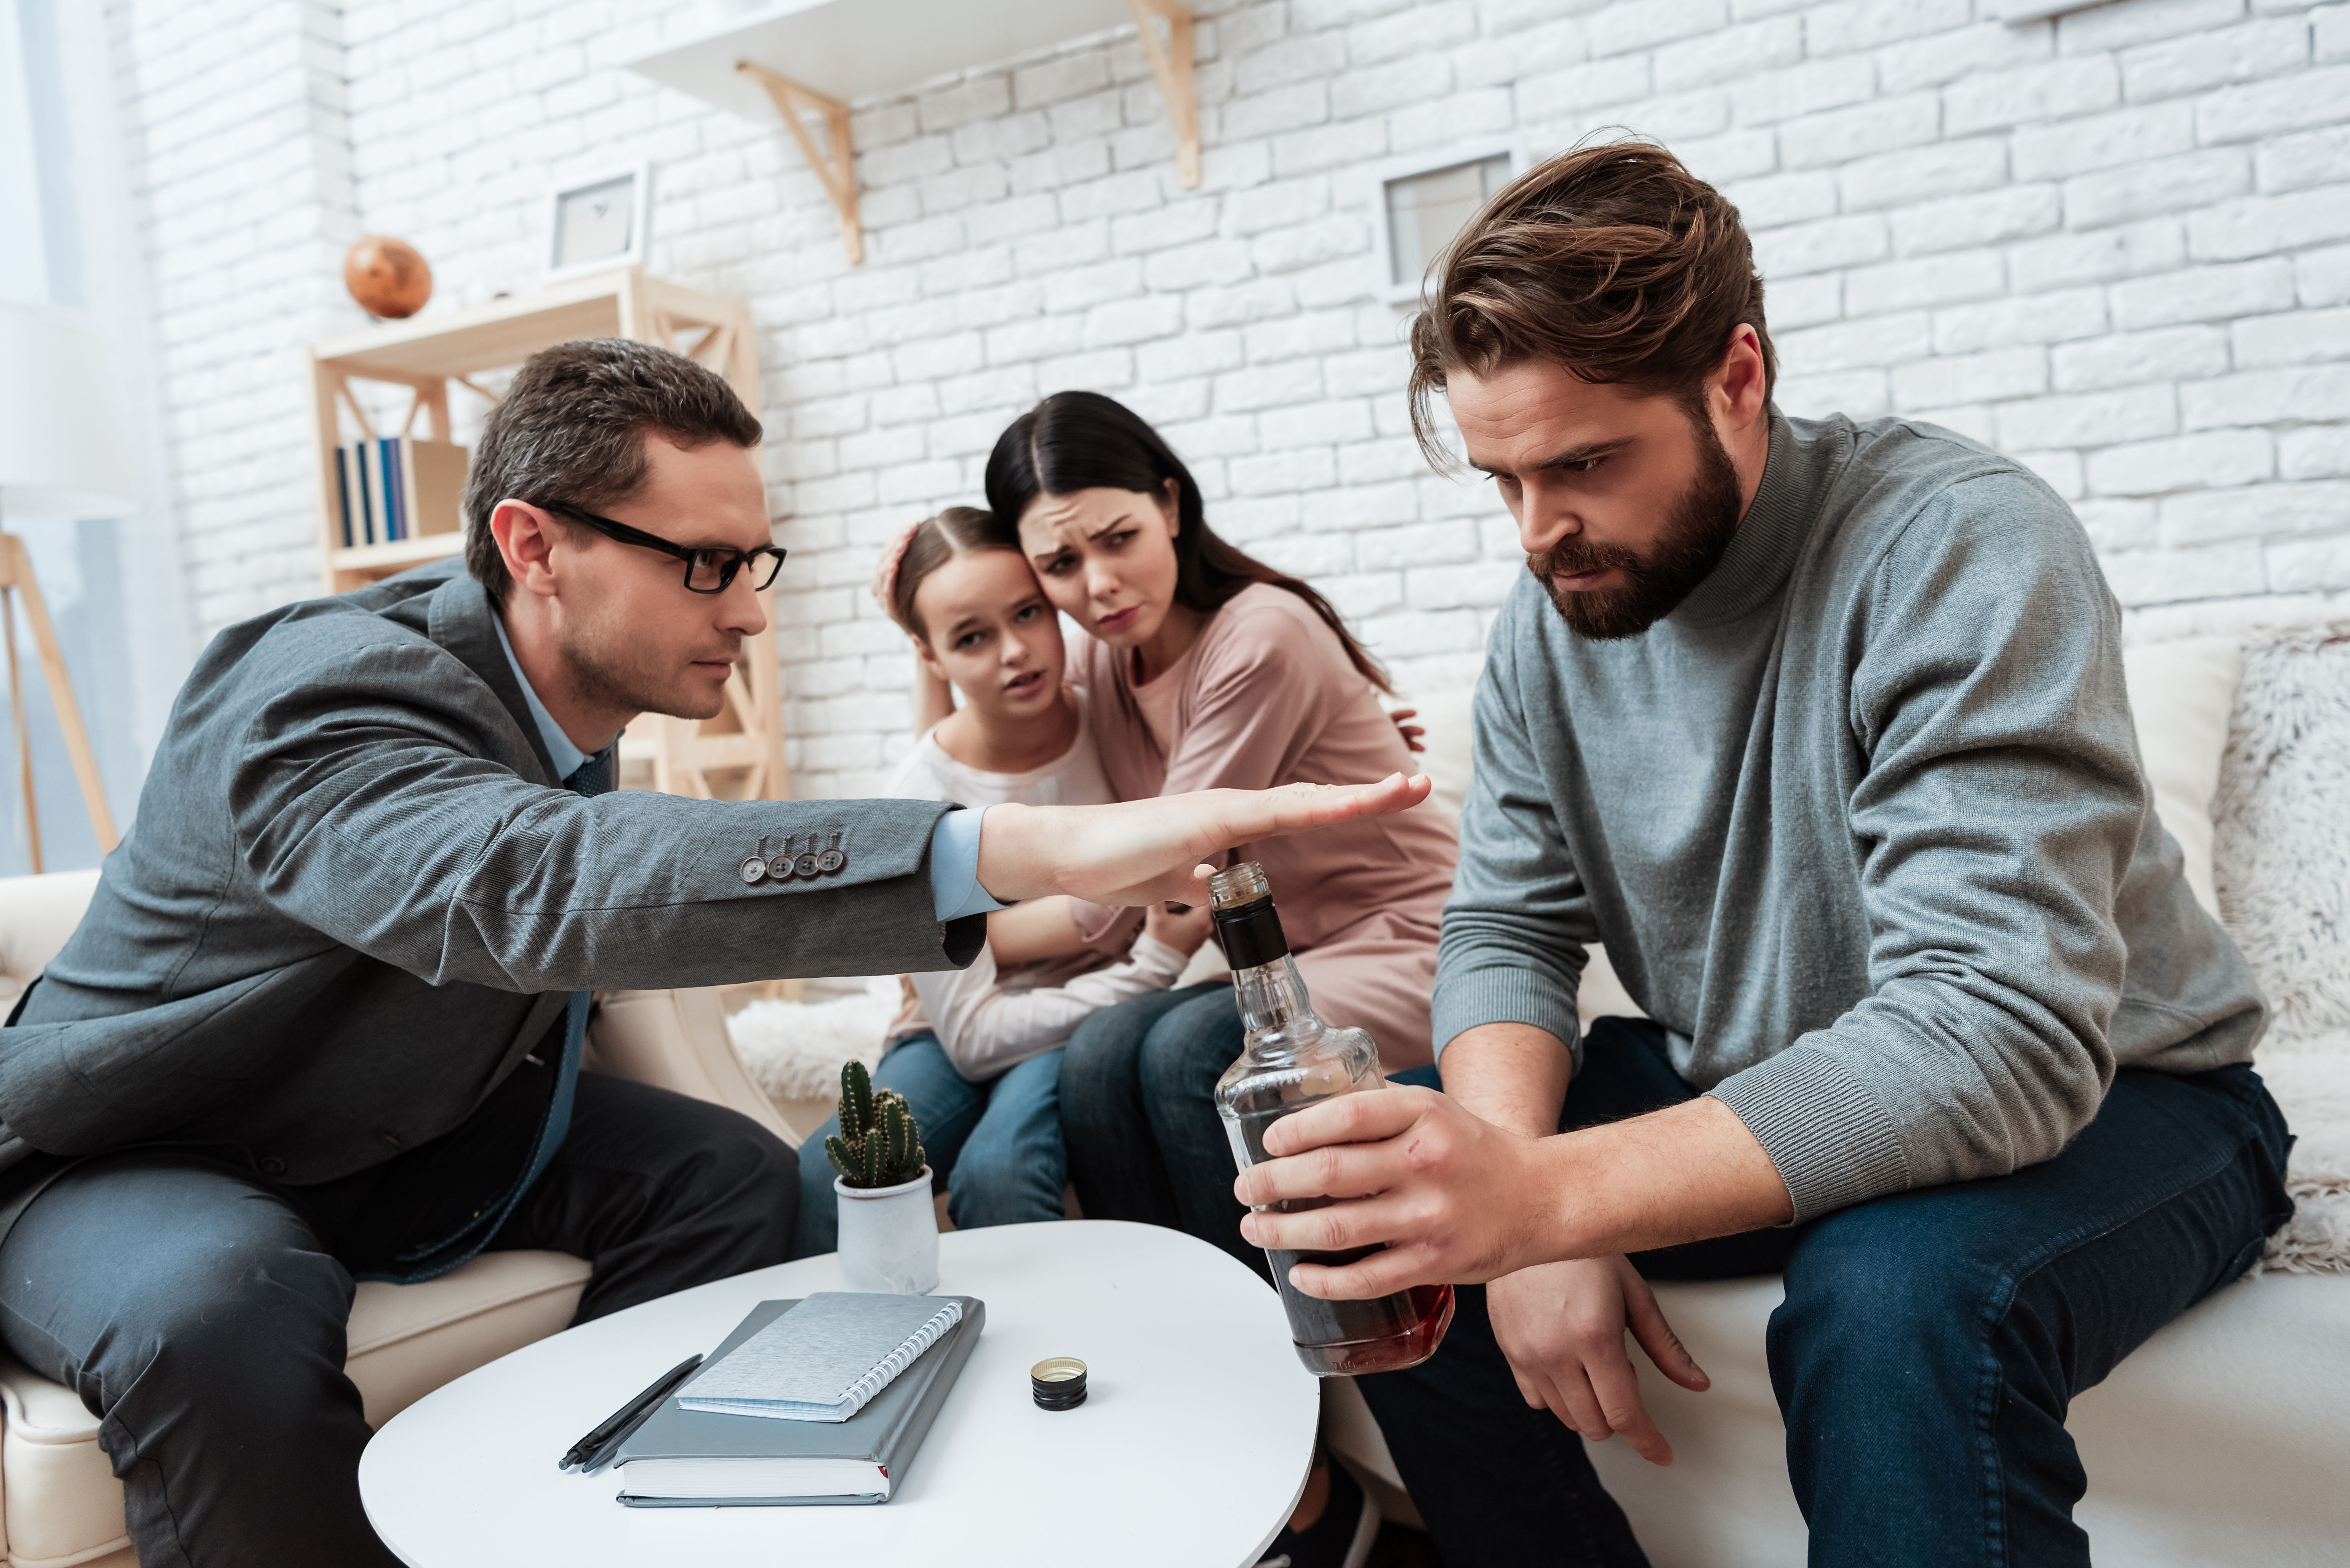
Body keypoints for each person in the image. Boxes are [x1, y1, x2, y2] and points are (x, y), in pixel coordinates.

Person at [0, 338, 1430, 1567]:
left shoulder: (575, 715)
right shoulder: (312, 693)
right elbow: (532, 879)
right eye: (705, 566)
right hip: (140, 1151)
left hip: (411, 1132)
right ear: (531, 547)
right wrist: (1024, 851)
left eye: (756, 560)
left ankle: (639, 1529)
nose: (749, 610)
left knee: (738, 1180)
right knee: (215, 1313)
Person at [1227, 142, 2293, 1568]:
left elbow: (1991, 1040)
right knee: (1371, 1187)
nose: (1540, 532)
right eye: (1499, 481)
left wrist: (1535, 1203)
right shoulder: (1549, 617)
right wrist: (1495, 1176)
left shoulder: (1959, 544)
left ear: (1737, 378)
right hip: (1749, 1069)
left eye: (1585, 464)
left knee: (1890, 1298)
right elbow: (1506, 932)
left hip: (2124, 1091)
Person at [985, 391, 1458, 1568]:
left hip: (1410, 935)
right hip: (1283, 968)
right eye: (1058, 562)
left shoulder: (1260, 633)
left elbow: (1128, 882)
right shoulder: (1107, 658)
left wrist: (950, 933)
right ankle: (1237, 1441)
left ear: (1170, 504)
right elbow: (991, 745)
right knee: (1109, 1055)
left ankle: (1296, 1396)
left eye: (1116, 539)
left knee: (1188, 1053)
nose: (1094, 584)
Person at [789, 506, 1214, 1254]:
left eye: (1028, 614)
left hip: (1085, 1024)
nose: (1017, 652)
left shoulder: (1119, 724)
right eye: (973, 638)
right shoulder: (915, 799)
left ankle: (1067, 1370)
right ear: (930, 655)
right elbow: (976, 1038)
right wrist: (1150, 962)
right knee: (825, 1186)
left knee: (1002, 1173)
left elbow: (1232, 742)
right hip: (958, 1029)